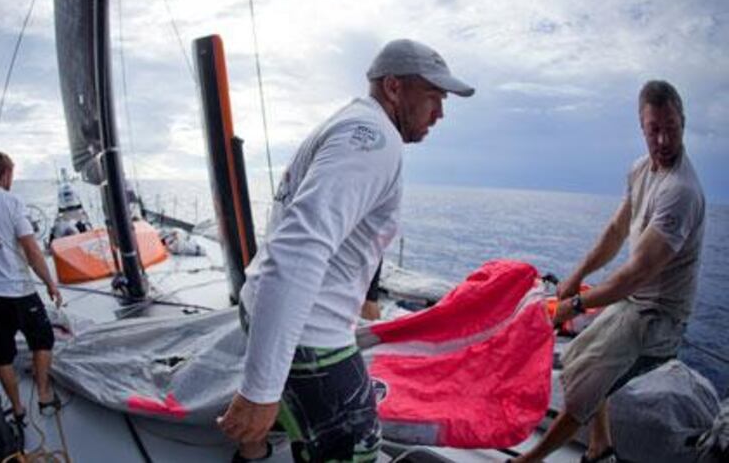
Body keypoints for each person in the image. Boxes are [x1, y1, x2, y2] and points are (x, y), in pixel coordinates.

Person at [218, 39, 475, 462]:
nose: (440, 113)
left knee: (282, 426)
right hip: (311, 338)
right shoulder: (373, 138)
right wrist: (260, 390)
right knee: (355, 447)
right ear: (393, 87)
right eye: (433, 97)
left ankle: (253, 449)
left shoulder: (350, 124)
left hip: (273, 308)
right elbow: (300, 247)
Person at [513, 80, 705, 463]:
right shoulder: (640, 171)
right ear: (641, 127)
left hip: (658, 317)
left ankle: (526, 461)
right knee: (577, 356)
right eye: (655, 129)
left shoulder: (680, 192)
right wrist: (574, 277)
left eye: (672, 127)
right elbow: (617, 231)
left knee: (587, 383)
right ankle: (601, 444)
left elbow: (635, 275)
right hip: (633, 302)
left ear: (684, 122)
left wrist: (577, 303)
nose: (664, 139)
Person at [0, 152, 63, 435]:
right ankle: (43, 396)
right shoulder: (11, 202)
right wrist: (50, 283)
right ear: (5, 174)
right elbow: (31, 249)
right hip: (19, 290)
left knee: (3, 356)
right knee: (43, 339)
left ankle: (17, 410)